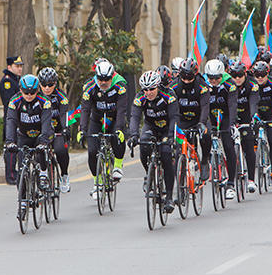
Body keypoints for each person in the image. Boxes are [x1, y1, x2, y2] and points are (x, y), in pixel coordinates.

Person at [128, 70, 178, 213]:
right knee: (143, 145)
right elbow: (135, 117)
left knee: (166, 155)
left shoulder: (169, 95)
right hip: (151, 126)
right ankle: (148, 174)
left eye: (151, 89)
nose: (148, 93)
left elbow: (175, 117)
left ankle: (168, 197)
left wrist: (171, 137)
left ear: (158, 86)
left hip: (167, 127)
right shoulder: (140, 98)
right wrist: (133, 135)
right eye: (145, 89)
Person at [77, 60, 128, 195]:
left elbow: (122, 110)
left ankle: (117, 165)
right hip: (97, 120)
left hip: (114, 118)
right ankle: (97, 181)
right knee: (92, 151)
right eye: (100, 79)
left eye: (107, 79)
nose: (103, 83)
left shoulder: (120, 86)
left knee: (117, 138)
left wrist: (119, 128)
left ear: (112, 77)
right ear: (96, 77)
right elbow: (85, 110)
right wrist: (82, 129)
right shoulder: (89, 88)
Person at [4, 74, 53, 200]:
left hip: (40, 135)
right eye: (26, 92)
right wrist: (9, 141)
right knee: (21, 169)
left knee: (41, 152)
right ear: (20, 90)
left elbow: (46, 123)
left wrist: (44, 141)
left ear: (37, 90)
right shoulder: (14, 102)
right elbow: (11, 121)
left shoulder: (45, 102)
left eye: (32, 92)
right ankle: (24, 199)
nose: (29, 95)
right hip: (23, 135)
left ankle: (43, 174)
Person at [172, 58, 211, 181]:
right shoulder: (174, 86)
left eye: (190, 78)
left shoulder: (202, 85)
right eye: (183, 78)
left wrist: (202, 123)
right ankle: (180, 179)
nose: (186, 81)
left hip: (199, 119)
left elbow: (205, 106)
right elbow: (171, 108)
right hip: (182, 120)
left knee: (206, 135)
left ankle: (204, 161)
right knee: (178, 149)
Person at [205, 59, 238, 199]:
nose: (214, 80)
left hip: (225, 116)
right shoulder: (204, 85)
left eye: (217, 78)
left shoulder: (230, 84)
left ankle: (231, 183)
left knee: (228, 146)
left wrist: (231, 125)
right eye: (210, 78)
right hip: (210, 116)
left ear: (222, 74)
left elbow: (232, 106)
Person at [38, 67, 71, 193]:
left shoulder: (61, 97)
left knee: (60, 150)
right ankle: (42, 174)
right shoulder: (35, 95)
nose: (47, 88)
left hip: (57, 129)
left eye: (50, 85)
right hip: (42, 130)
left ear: (55, 84)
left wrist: (65, 129)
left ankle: (64, 175)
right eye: (44, 85)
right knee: (38, 150)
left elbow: (64, 114)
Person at [230, 62, 259, 193]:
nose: (237, 79)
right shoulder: (229, 86)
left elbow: (253, 102)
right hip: (232, 117)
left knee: (248, 146)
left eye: (240, 75)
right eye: (234, 76)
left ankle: (251, 180)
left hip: (247, 116)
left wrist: (253, 117)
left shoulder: (252, 85)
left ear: (245, 74)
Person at [0, 55, 24, 185]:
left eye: (21, 66)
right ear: (9, 67)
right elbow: (9, 102)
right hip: (12, 119)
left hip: (20, 119)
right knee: (11, 148)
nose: (19, 69)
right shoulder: (7, 82)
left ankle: (16, 173)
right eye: (17, 66)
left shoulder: (17, 80)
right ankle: (10, 175)